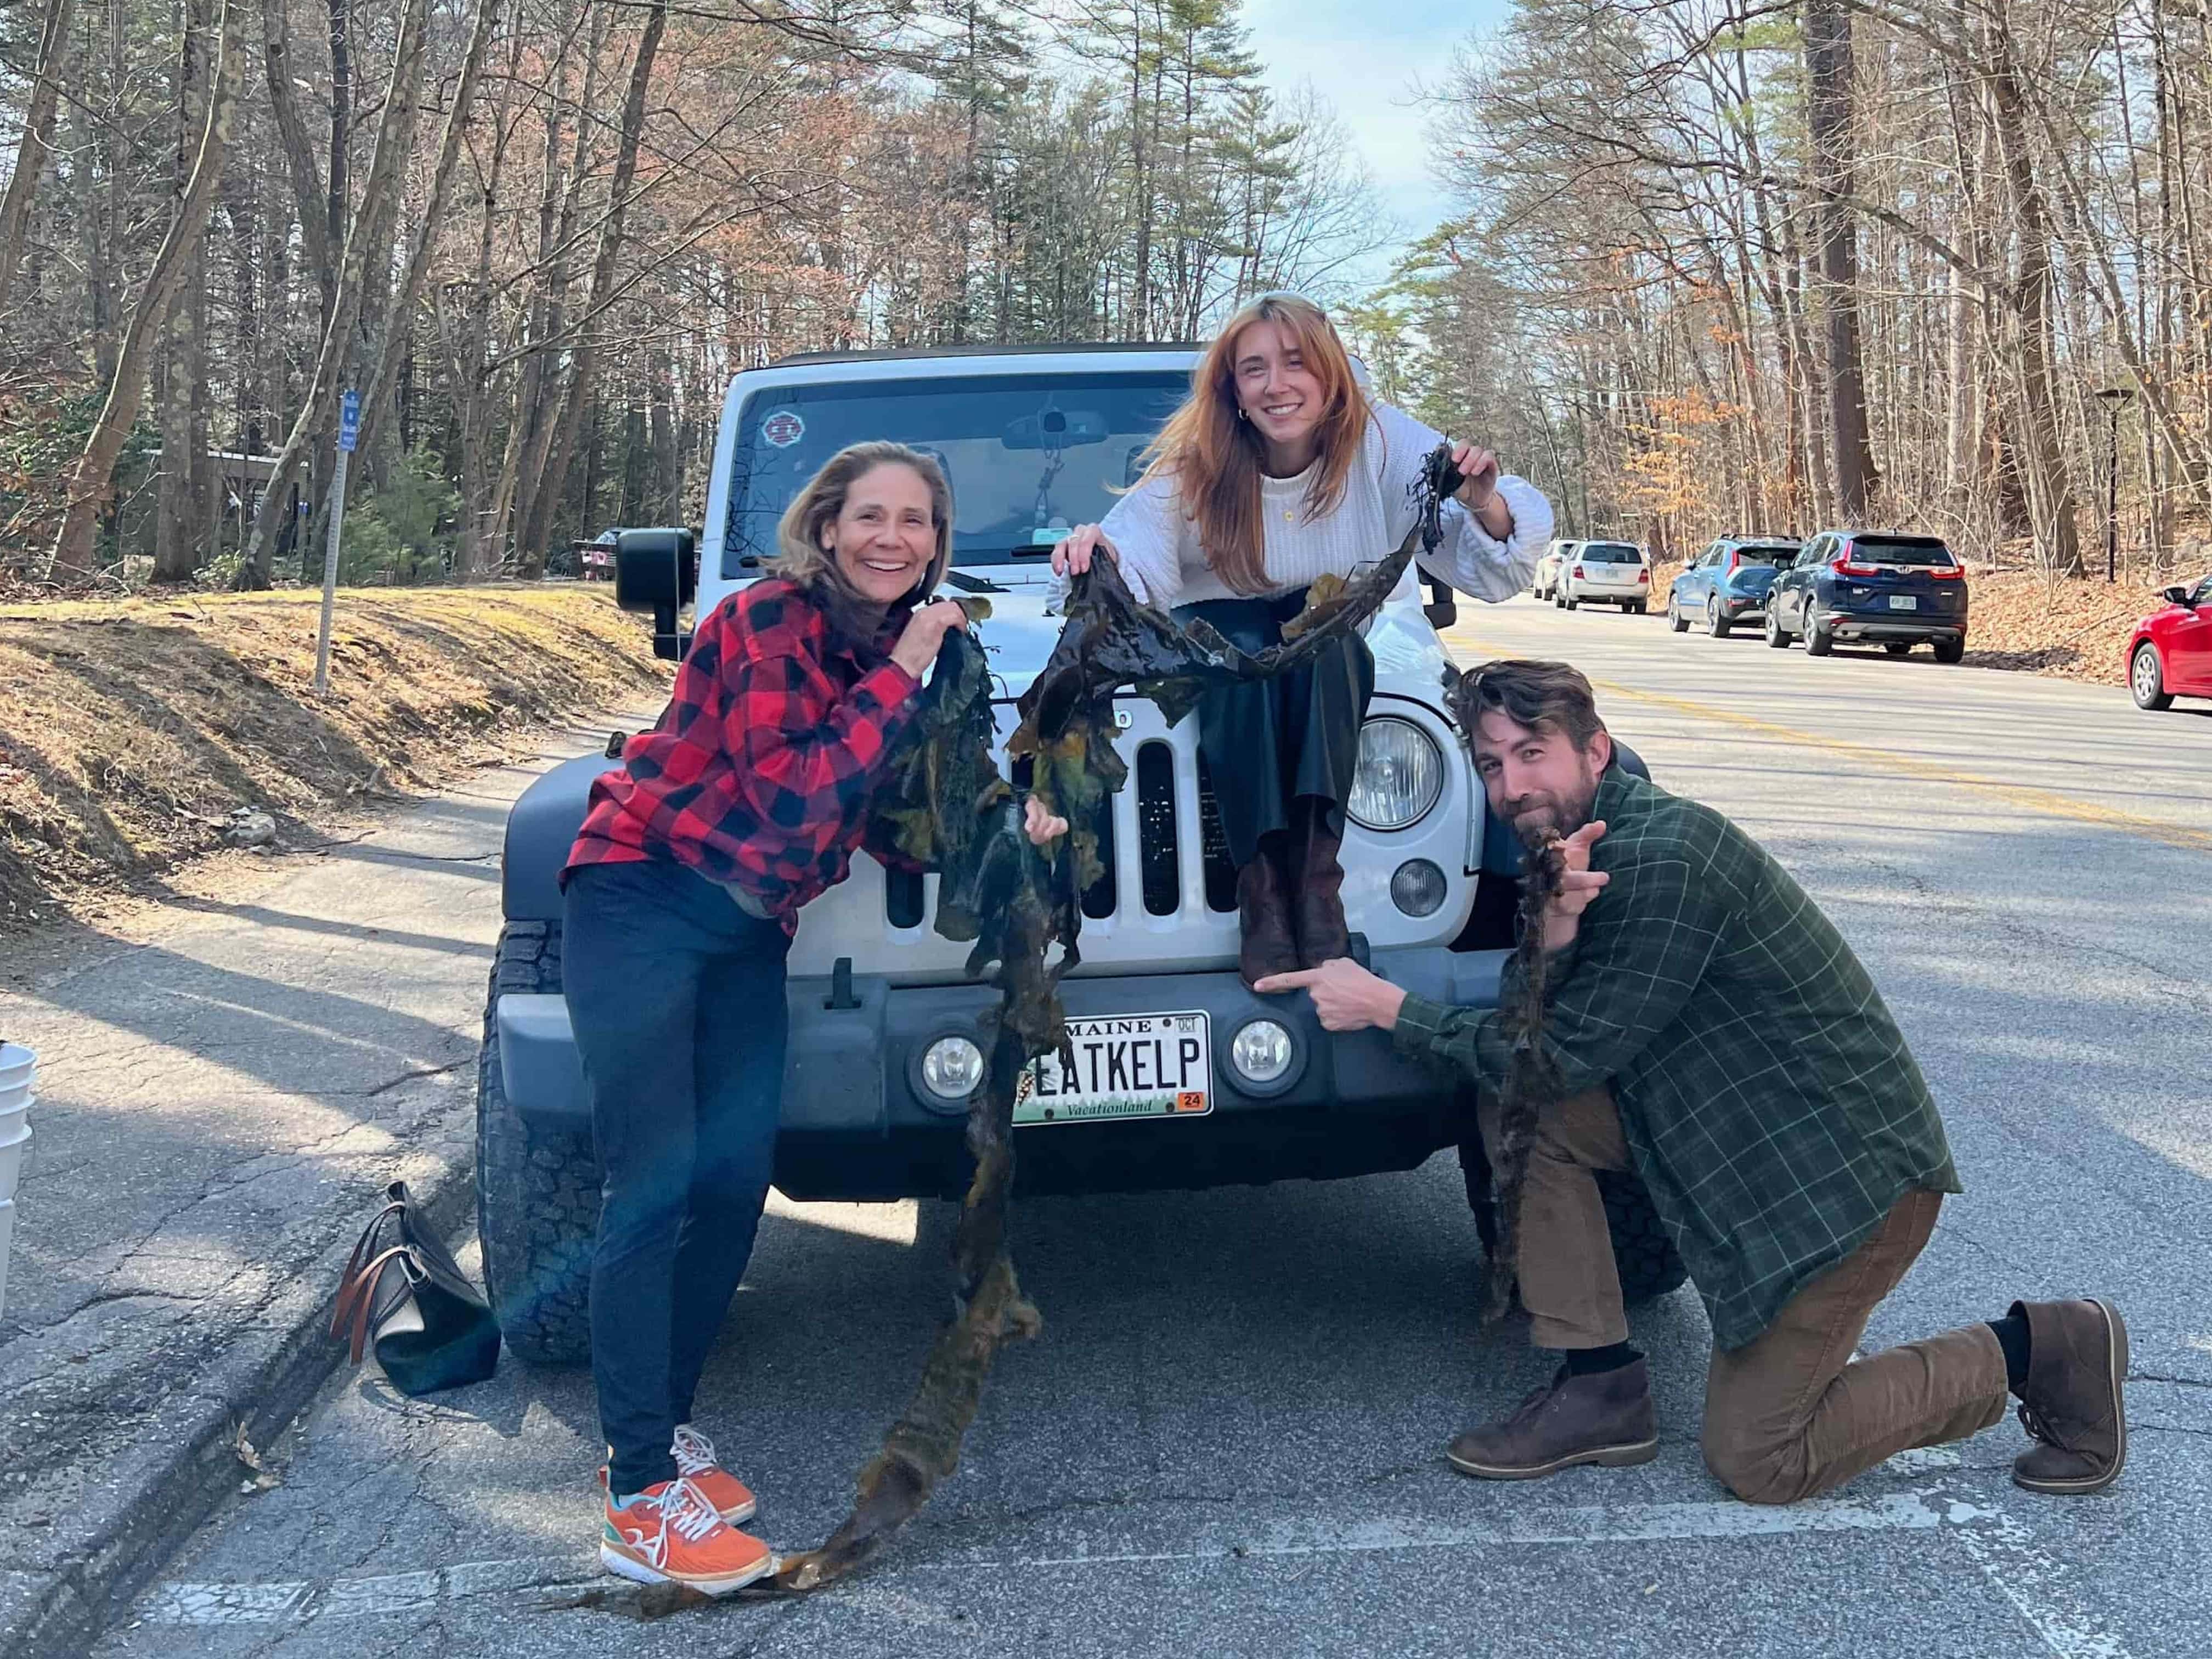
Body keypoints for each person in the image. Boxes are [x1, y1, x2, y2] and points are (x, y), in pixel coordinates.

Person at [1256, 660, 2126, 1506]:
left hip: (1838, 1190)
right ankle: (1601, 1387)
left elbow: (1553, 1058)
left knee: (1761, 1459)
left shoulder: (1666, 857)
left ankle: (2044, 1349)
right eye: (1491, 764)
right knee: (1525, 1111)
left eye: (1533, 752)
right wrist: (1554, 936)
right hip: (1736, 1147)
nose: (1512, 785)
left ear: (1596, 752)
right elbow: (1535, 1052)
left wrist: (1387, 1007)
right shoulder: (1579, 856)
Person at [561, 442, 1068, 1595]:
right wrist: (908, 671)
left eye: (917, 523)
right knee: (651, 1185)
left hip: (744, 927)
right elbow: (794, 797)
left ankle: (664, 1436)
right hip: (642, 895)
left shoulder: (898, 651)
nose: (893, 538)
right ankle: (637, 1500)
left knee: (735, 1180)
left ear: (937, 542)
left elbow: (890, 822)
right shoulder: (763, 621)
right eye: (871, 517)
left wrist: (1007, 825)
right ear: (828, 526)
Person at [1052, 294, 1553, 986]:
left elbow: (1497, 563)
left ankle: (1317, 886)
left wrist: (1482, 500)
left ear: (1329, 370)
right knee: (1232, 653)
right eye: (1253, 369)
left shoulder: (1376, 441)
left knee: (1329, 640)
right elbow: (1137, 557)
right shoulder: (1198, 464)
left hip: (1333, 642)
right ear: (1232, 390)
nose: (1277, 385)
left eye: (1295, 363)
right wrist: (1096, 556)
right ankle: (1262, 891)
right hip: (1225, 639)